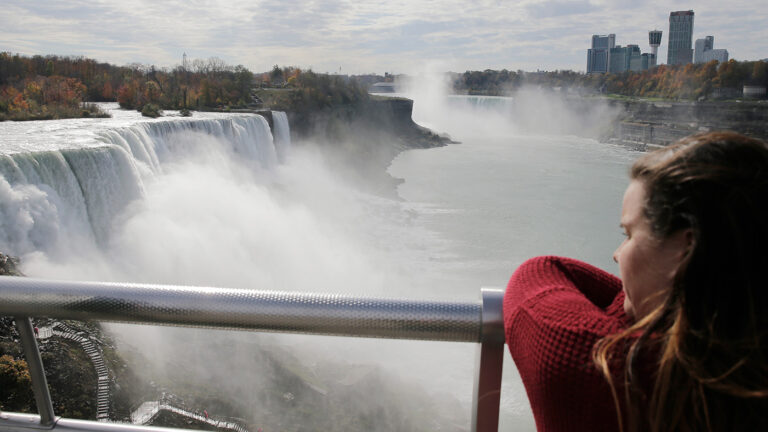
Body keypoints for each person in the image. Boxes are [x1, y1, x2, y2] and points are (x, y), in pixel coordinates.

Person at [504, 132, 768, 432]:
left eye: (628, 235)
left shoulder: (617, 371)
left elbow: (540, 272)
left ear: (687, 249)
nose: (617, 255)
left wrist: (637, 305)